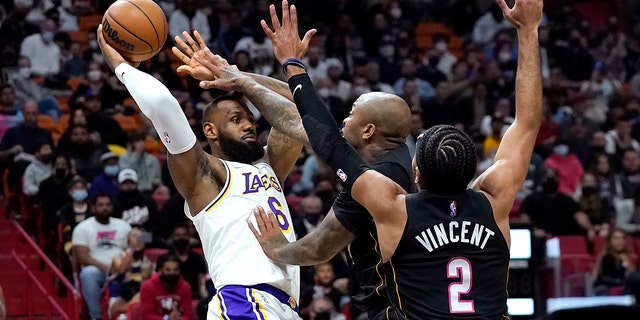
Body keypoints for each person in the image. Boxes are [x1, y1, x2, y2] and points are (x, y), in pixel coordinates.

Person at [249, 0, 543, 318]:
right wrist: (528, 31)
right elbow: (527, 122)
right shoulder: (495, 199)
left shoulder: (394, 207)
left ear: (416, 173)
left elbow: (329, 142)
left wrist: (292, 63)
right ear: (473, 170)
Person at [175, 27, 413, 320]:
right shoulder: (395, 158)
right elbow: (305, 112)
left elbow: (319, 247)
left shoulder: (374, 180)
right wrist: (236, 75)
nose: (344, 118)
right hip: (408, 297)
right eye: (239, 119)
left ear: (368, 131)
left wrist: (278, 248)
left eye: (351, 114)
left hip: (394, 303)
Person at [98, 20, 306, 319]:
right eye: (236, 119)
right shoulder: (205, 173)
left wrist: (236, 78)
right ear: (210, 130)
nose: (249, 124)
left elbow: (297, 106)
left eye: (250, 118)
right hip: (246, 299)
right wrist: (119, 65)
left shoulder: (268, 164)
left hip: (281, 306)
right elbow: (161, 103)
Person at [71, 194, 132, 320]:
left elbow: (135, 247)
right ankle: (95, 317)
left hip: (122, 266)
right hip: (97, 269)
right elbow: (82, 258)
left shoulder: (124, 225)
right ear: (93, 208)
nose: (105, 208)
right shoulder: (82, 227)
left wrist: (125, 267)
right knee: (87, 274)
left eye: (108, 205)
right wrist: (108, 269)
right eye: (101, 205)